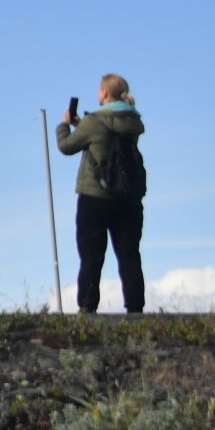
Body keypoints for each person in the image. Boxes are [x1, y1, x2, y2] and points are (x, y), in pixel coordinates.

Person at [56, 73, 147, 313]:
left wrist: (65, 125)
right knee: (129, 255)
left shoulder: (93, 122)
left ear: (105, 93)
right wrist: (82, 125)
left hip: (95, 196)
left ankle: (87, 308)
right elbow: (107, 137)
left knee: (91, 256)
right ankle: (135, 308)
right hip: (127, 198)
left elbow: (67, 146)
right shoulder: (133, 122)